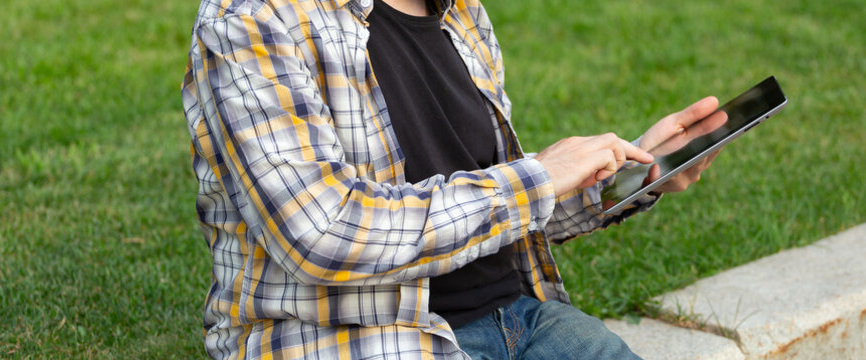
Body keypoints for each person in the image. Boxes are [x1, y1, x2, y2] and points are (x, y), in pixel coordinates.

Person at [181, 0, 720, 358]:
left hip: (519, 317)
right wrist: (534, 179)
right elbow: (323, 233)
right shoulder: (252, 18)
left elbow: (488, 204)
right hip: (352, 335)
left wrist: (630, 173)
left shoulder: (459, 10)